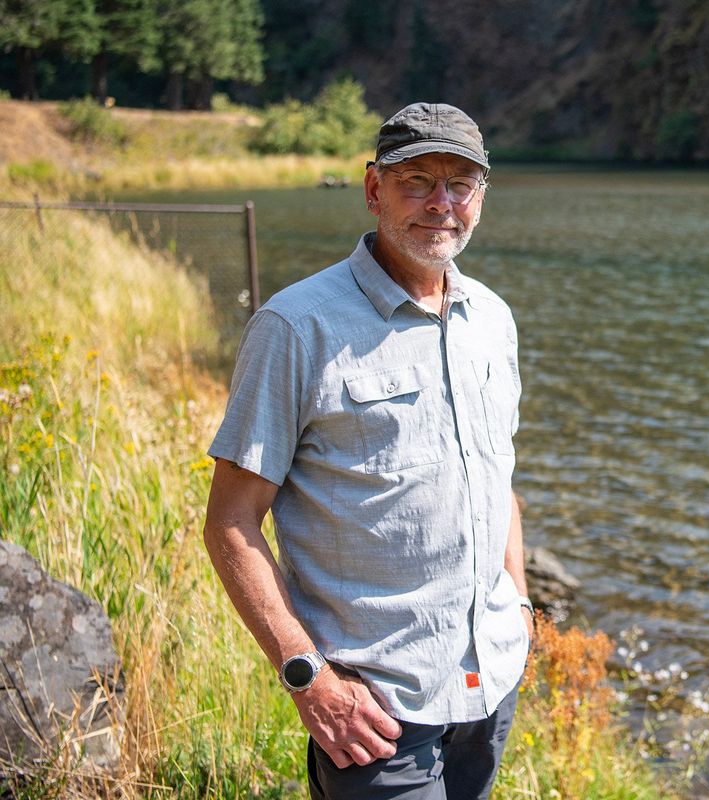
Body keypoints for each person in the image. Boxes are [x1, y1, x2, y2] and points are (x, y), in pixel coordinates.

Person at [203, 102, 532, 800]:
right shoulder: (296, 327)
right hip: (376, 711)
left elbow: (498, 478)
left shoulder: (493, 321)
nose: (442, 204)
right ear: (373, 188)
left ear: (481, 196)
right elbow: (230, 524)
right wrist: (307, 678)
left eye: (461, 184)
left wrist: (521, 611)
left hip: (489, 685)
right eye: (417, 181)